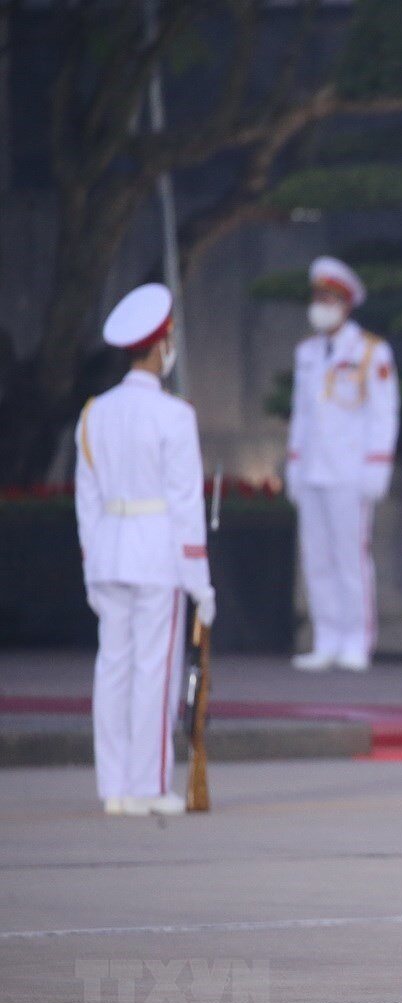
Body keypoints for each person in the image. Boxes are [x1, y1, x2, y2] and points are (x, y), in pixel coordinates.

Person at [75, 283, 214, 817]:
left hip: (108, 551)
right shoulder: (174, 416)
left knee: (113, 667)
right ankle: (149, 786)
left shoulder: (95, 413)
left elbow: (86, 501)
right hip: (156, 552)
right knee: (153, 671)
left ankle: (113, 786)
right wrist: (200, 582)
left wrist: (92, 562)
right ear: (161, 346)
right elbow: (185, 505)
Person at [285, 257, 399, 673]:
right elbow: (301, 414)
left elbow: (383, 413)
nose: (320, 306)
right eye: (317, 298)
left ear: (346, 304)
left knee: (350, 558)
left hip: (350, 470)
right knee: (316, 558)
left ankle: (355, 639)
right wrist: (293, 465)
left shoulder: (370, 351)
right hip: (313, 466)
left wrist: (377, 466)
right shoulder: (307, 352)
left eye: (328, 299)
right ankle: (326, 636)